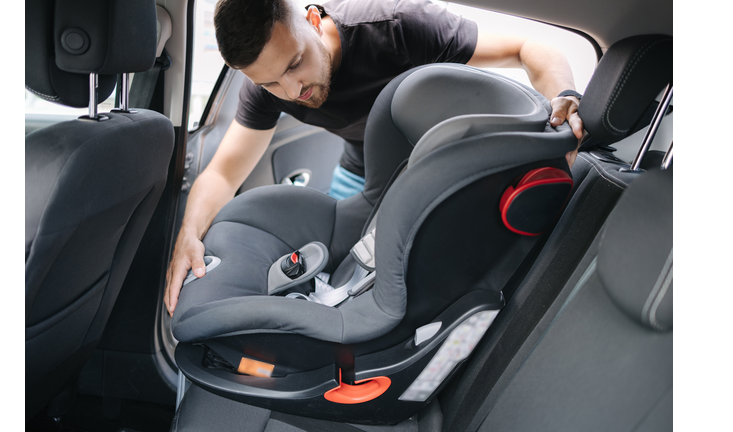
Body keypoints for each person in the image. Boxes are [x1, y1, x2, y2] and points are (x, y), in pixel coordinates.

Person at [164, 0, 585, 316]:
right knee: (342, 271)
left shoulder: (397, 25)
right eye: (271, 82)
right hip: (364, 168)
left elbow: (530, 46)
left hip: (439, 161)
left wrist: (563, 97)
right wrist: (189, 236)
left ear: (313, 19)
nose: (293, 91)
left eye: (296, 64)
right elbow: (222, 172)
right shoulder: (265, 89)